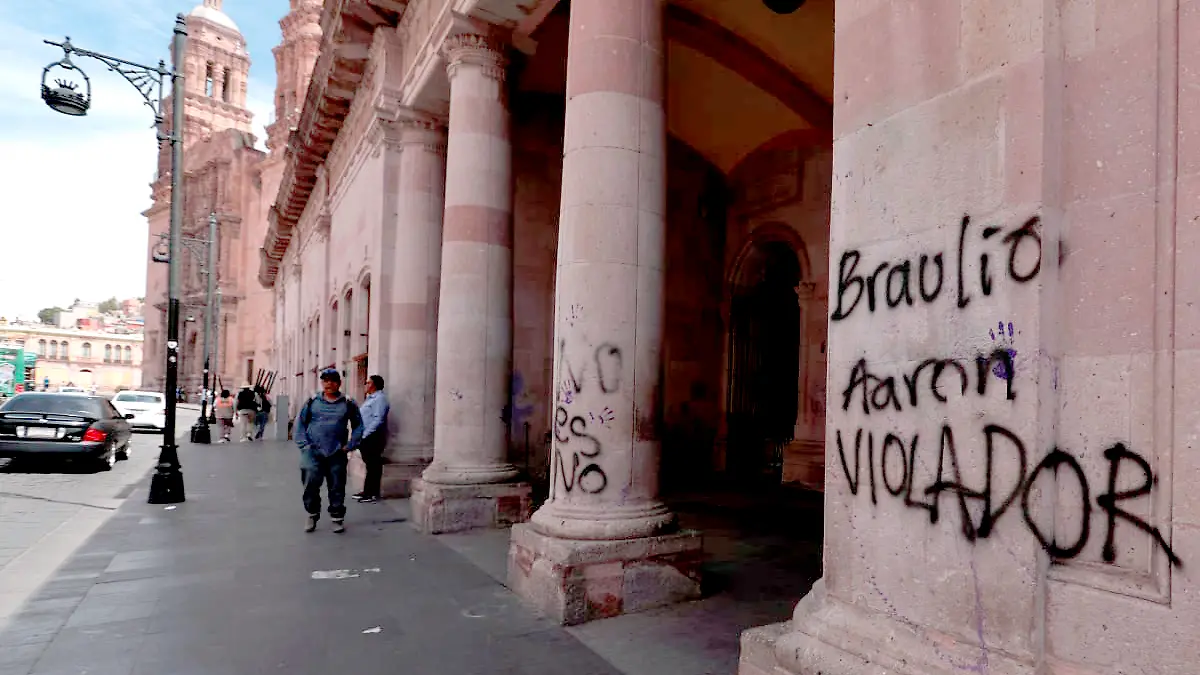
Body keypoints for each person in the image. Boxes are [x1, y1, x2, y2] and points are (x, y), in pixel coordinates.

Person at [295, 368, 362, 533]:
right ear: (322, 383)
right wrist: (304, 445)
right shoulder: (313, 401)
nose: (328, 384)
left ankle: (337, 517)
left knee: (337, 485)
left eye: (332, 381)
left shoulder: (348, 403)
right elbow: (301, 423)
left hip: (336, 452)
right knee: (310, 482)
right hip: (312, 451)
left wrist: (351, 444)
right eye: (325, 381)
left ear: (339, 383)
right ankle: (312, 513)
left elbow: (358, 425)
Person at [353, 375, 390, 503]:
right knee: (370, 464)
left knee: (373, 465)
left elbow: (378, 419)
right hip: (366, 436)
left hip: (373, 436)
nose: (365, 385)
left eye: (368, 383)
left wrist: (365, 434)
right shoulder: (371, 398)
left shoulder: (379, 399)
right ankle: (367, 491)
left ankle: (372, 493)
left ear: (374, 385)